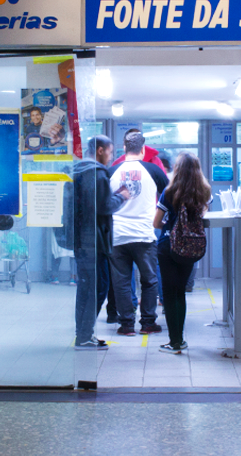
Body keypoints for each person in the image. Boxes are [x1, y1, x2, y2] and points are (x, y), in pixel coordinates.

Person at [108, 131, 169, 336]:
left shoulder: (112, 171)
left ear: (124, 148)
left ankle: (126, 325)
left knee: (122, 282)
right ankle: (148, 323)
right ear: (143, 150)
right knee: (149, 281)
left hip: (118, 236)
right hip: (144, 235)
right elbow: (170, 195)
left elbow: (105, 202)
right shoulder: (153, 170)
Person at [72, 135, 129, 350]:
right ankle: (85, 335)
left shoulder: (79, 171)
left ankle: (83, 333)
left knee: (86, 288)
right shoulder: (97, 173)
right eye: (110, 152)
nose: (111, 157)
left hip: (81, 239)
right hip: (95, 241)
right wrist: (122, 196)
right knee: (98, 288)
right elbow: (104, 207)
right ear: (100, 150)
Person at [153, 152, 212, 354]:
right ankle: (180, 340)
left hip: (168, 246)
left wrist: (169, 225)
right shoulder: (204, 191)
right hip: (190, 247)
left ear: (177, 169)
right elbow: (203, 215)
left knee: (170, 295)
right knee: (180, 292)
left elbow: (156, 222)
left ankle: (175, 341)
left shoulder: (169, 191)